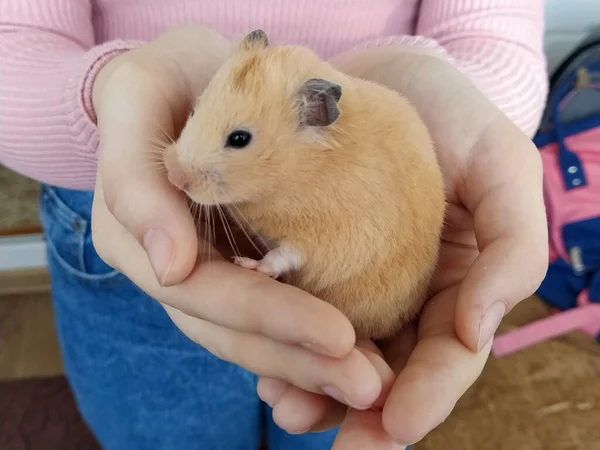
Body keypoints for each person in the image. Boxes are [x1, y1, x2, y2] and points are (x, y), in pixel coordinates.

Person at [0, 1, 549, 449]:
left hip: (345, 294)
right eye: (195, 117)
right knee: (161, 431)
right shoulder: (232, 142)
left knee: (327, 412)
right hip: (113, 232)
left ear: (317, 116)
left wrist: (277, 259)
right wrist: (106, 89)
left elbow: (494, 38)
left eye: (237, 140)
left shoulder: (346, 172)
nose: (181, 163)